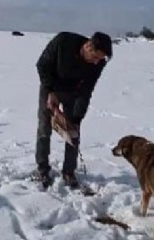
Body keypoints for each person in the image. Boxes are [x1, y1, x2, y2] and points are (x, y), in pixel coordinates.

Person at [33, 31, 112, 188]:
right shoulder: (63, 41)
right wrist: (50, 91)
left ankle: (69, 172)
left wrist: (77, 118)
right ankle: (42, 170)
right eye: (96, 57)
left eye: (100, 59)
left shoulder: (99, 63)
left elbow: (87, 90)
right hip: (50, 86)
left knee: (73, 133)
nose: (97, 62)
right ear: (88, 46)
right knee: (44, 128)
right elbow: (42, 64)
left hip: (73, 93)